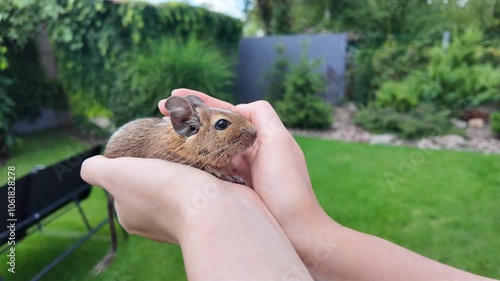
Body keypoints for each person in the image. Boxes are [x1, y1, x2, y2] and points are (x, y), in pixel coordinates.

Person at [81, 88, 497, 281]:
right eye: (225, 127)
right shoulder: (175, 145)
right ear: (188, 125)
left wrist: (209, 209)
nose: (249, 135)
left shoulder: (208, 149)